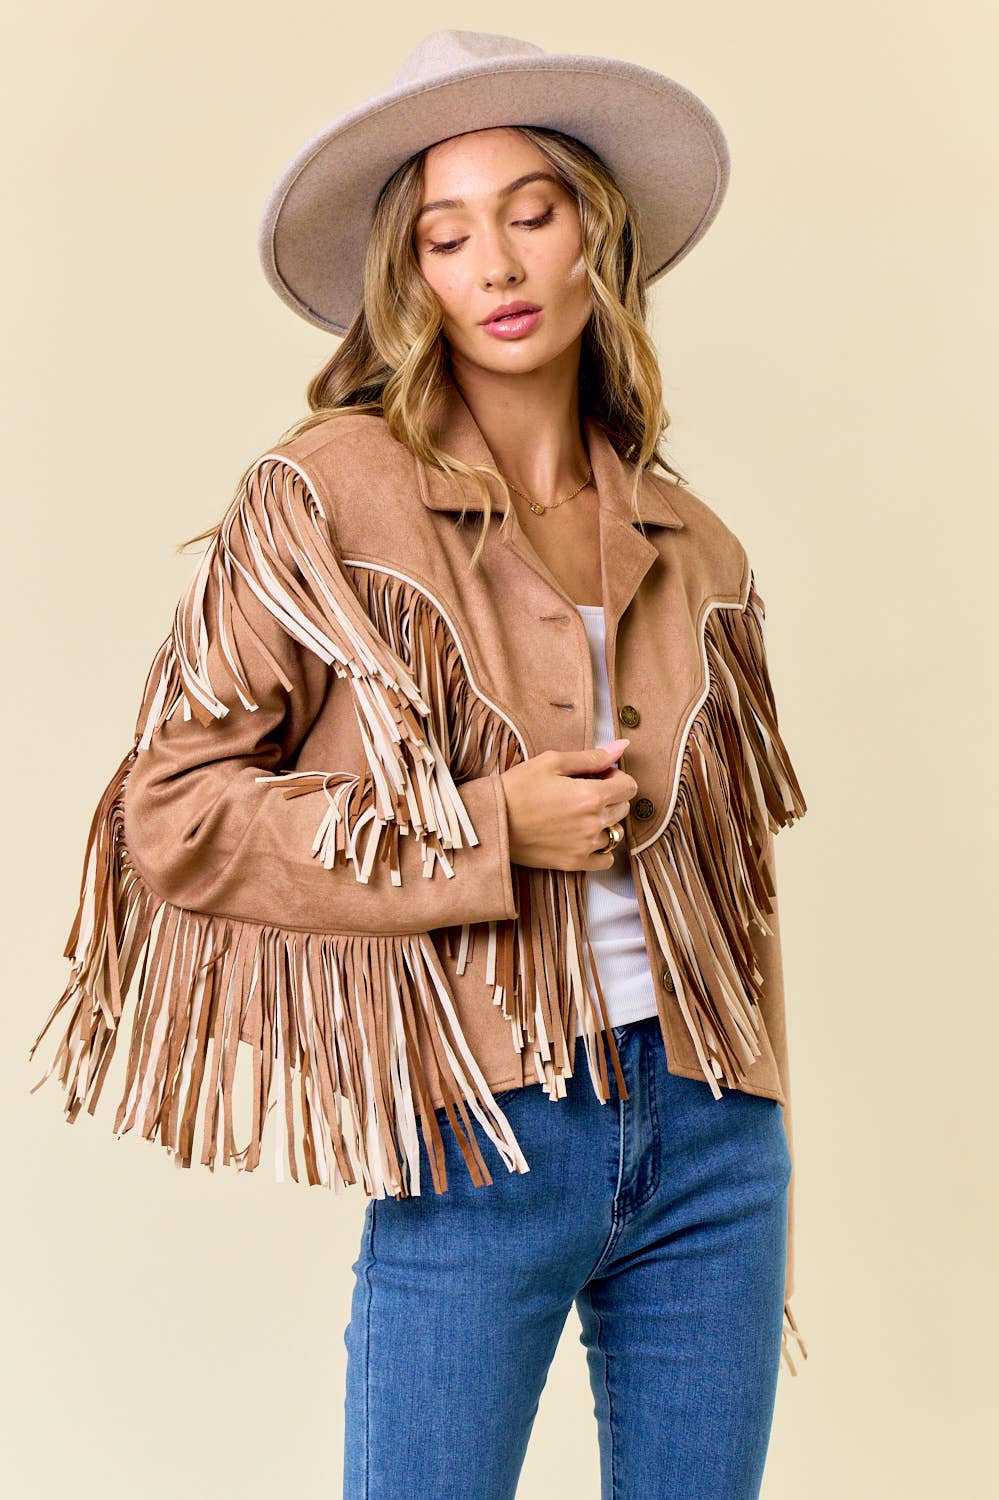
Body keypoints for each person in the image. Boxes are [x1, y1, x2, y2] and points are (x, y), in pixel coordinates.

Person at [27, 29, 809, 1500]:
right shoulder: (327, 493)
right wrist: (479, 829)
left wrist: (755, 1109)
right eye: (448, 236)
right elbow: (171, 812)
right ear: (413, 276)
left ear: (597, 233)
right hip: (487, 1126)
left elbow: (735, 880)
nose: (498, 265)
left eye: (533, 211)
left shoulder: (696, 543)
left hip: (715, 1136)